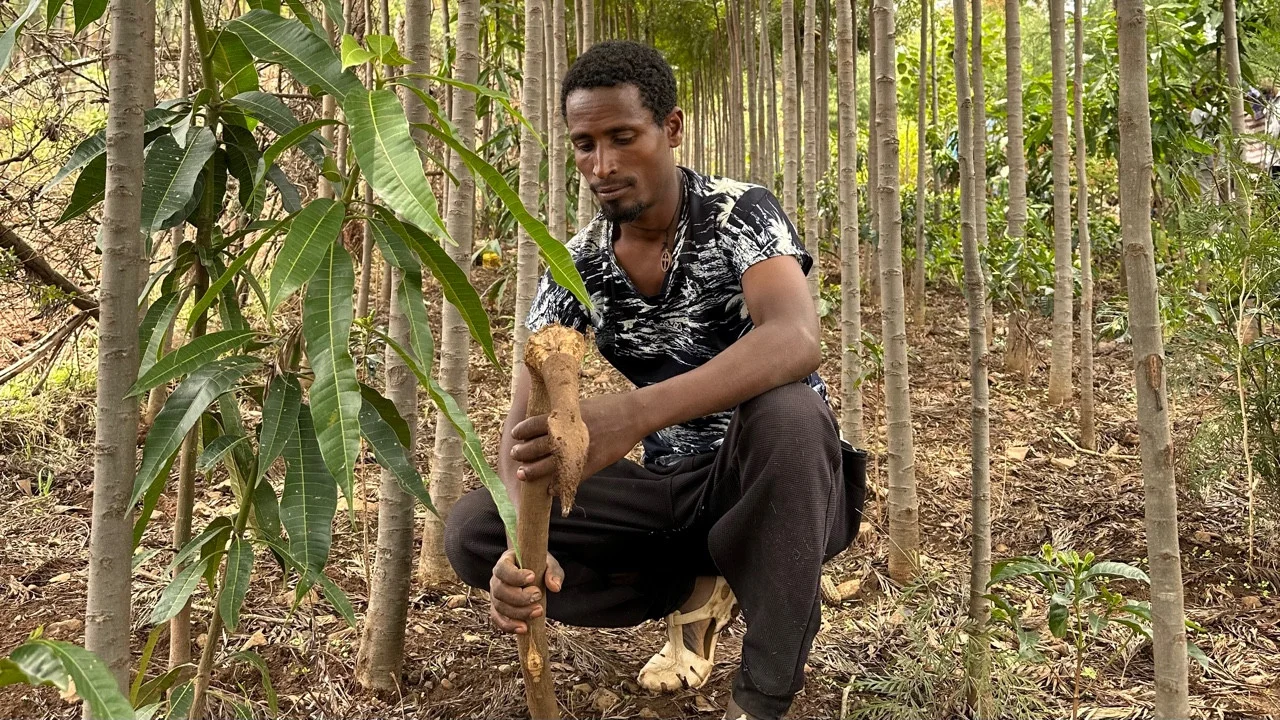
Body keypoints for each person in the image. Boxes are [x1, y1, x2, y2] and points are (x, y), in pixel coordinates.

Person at [444, 40, 866, 720]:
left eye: (621, 137)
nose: (602, 166)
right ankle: (696, 584)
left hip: (775, 483)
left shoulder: (738, 214)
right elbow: (528, 428)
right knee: (471, 531)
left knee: (790, 414)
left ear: (670, 129)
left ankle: (760, 698)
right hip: (673, 494)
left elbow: (795, 336)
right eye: (584, 145)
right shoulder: (577, 263)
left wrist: (635, 415)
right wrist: (521, 545)